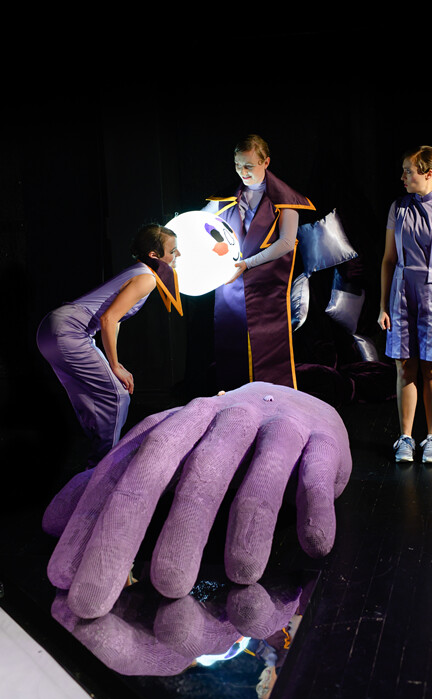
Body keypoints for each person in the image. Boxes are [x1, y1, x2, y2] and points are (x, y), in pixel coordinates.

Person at [37, 223, 182, 468]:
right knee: (117, 396)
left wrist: (114, 362)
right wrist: (114, 365)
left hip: (49, 331)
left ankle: (93, 465)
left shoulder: (138, 270)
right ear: (154, 255)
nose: (178, 254)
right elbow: (108, 319)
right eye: (173, 250)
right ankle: (102, 467)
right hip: (69, 331)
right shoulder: (147, 278)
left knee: (87, 398)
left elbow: (114, 320)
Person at [204, 134, 315, 391]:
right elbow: (201, 221)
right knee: (231, 349)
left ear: (266, 162)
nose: (242, 172)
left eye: (248, 166)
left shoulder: (286, 199)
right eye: (237, 165)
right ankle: (234, 404)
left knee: (268, 356)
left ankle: (271, 406)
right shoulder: (227, 197)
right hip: (230, 287)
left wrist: (247, 264)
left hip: (267, 289)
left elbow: (286, 243)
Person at [378, 146, 432, 463]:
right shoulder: (399, 207)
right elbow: (388, 260)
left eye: (408, 171)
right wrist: (383, 306)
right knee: (404, 366)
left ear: (428, 173)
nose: (403, 177)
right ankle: (405, 437)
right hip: (402, 293)